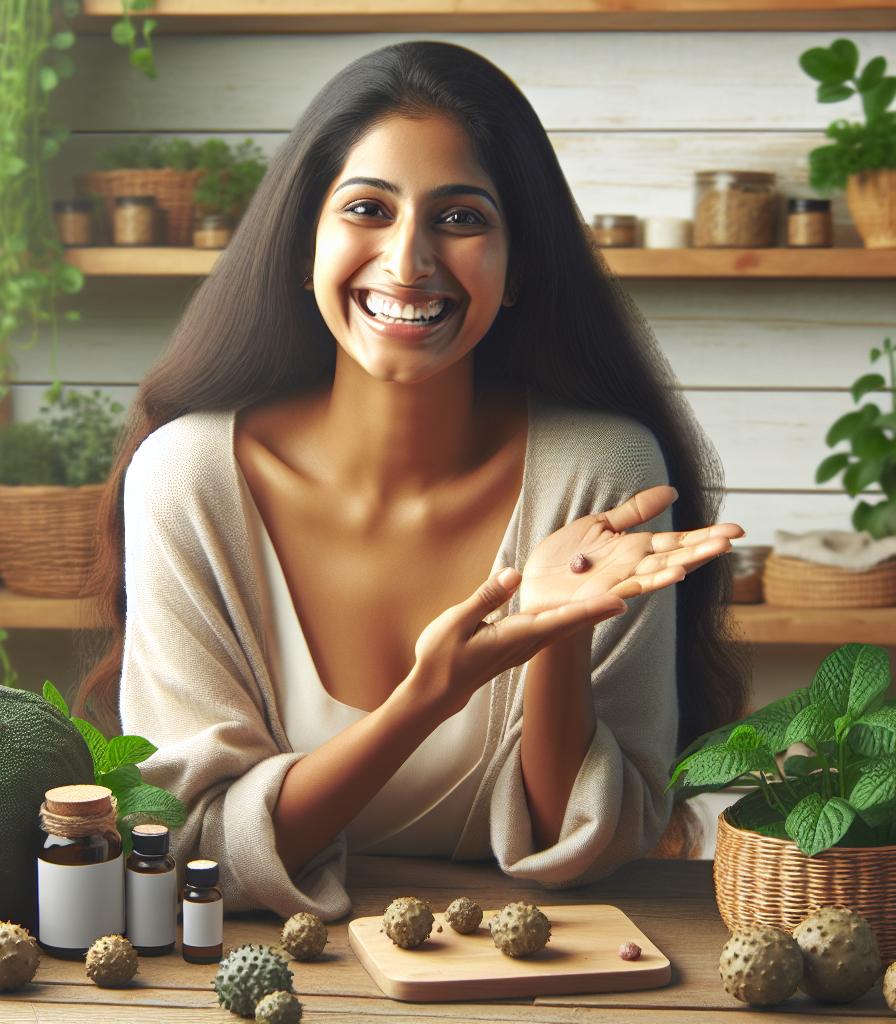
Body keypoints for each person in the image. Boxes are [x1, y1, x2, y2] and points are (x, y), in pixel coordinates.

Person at [75, 40, 750, 920]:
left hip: (535, 973)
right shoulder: (188, 478)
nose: (407, 261)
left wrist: (555, 638)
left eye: (461, 218)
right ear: (304, 239)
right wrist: (425, 699)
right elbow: (194, 848)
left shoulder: (601, 472)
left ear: (517, 269)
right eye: (367, 208)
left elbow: (592, 849)